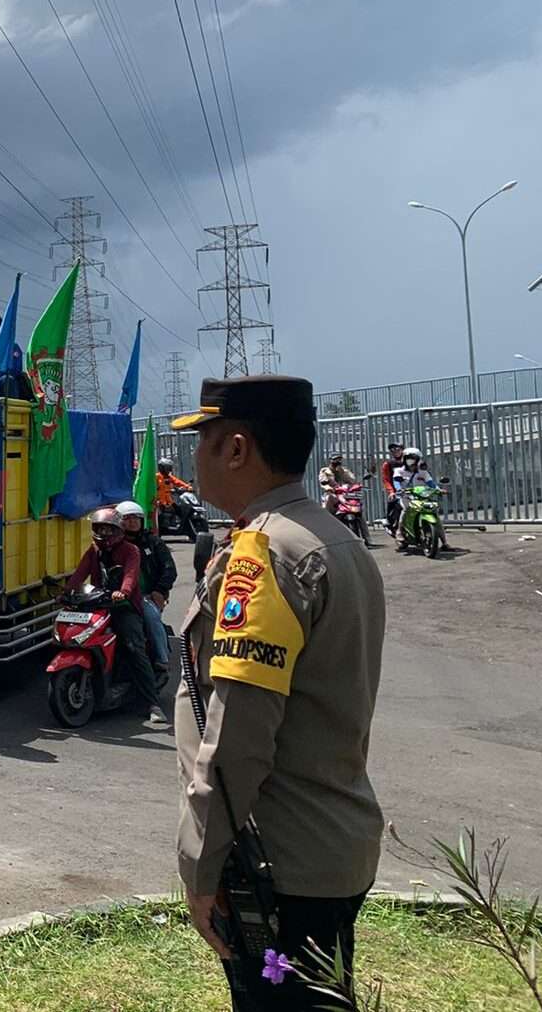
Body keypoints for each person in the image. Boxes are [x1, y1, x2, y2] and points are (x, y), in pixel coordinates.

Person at [169, 376, 385, 1009]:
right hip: (326, 850)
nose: (192, 457)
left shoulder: (266, 554)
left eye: (203, 440)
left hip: (276, 865)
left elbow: (238, 734)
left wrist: (200, 865)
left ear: (236, 449)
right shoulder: (332, 539)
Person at [64, 506, 167, 725]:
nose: (104, 533)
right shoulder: (94, 550)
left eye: (108, 529)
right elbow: (80, 573)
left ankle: (152, 703)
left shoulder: (131, 550)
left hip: (124, 605)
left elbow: (130, 575)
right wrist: (65, 592)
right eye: (100, 528)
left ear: (118, 530)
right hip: (97, 603)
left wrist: (124, 592)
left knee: (133, 646)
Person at [118, 500, 176, 670]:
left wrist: (159, 590)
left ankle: (161, 658)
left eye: (136, 518)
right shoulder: (113, 544)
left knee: (151, 617)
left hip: (147, 595)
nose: (133, 522)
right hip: (118, 596)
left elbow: (169, 569)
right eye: (128, 519)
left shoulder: (153, 542)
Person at [394, 447, 449, 551]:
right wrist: (399, 489)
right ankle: (399, 532)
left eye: (414, 458)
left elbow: (431, 483)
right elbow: (396, 482)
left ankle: (445, 542)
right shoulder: (399, 471)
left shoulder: (423, 472)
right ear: (404, 459)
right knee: (405, 511)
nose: (411, 460)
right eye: (409, 458)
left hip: (423, 498)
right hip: (407, 498)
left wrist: (439, 490)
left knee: (436, 517)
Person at [378, 443, 406, 536]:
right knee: (395, 504)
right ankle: (392, 524)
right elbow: (386, 479)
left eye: (397, 449)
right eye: (392, 450)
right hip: (397, 490)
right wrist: (391, 491)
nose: (395, 452)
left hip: (412, 489)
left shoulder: (410, 461)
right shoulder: (388, 464)